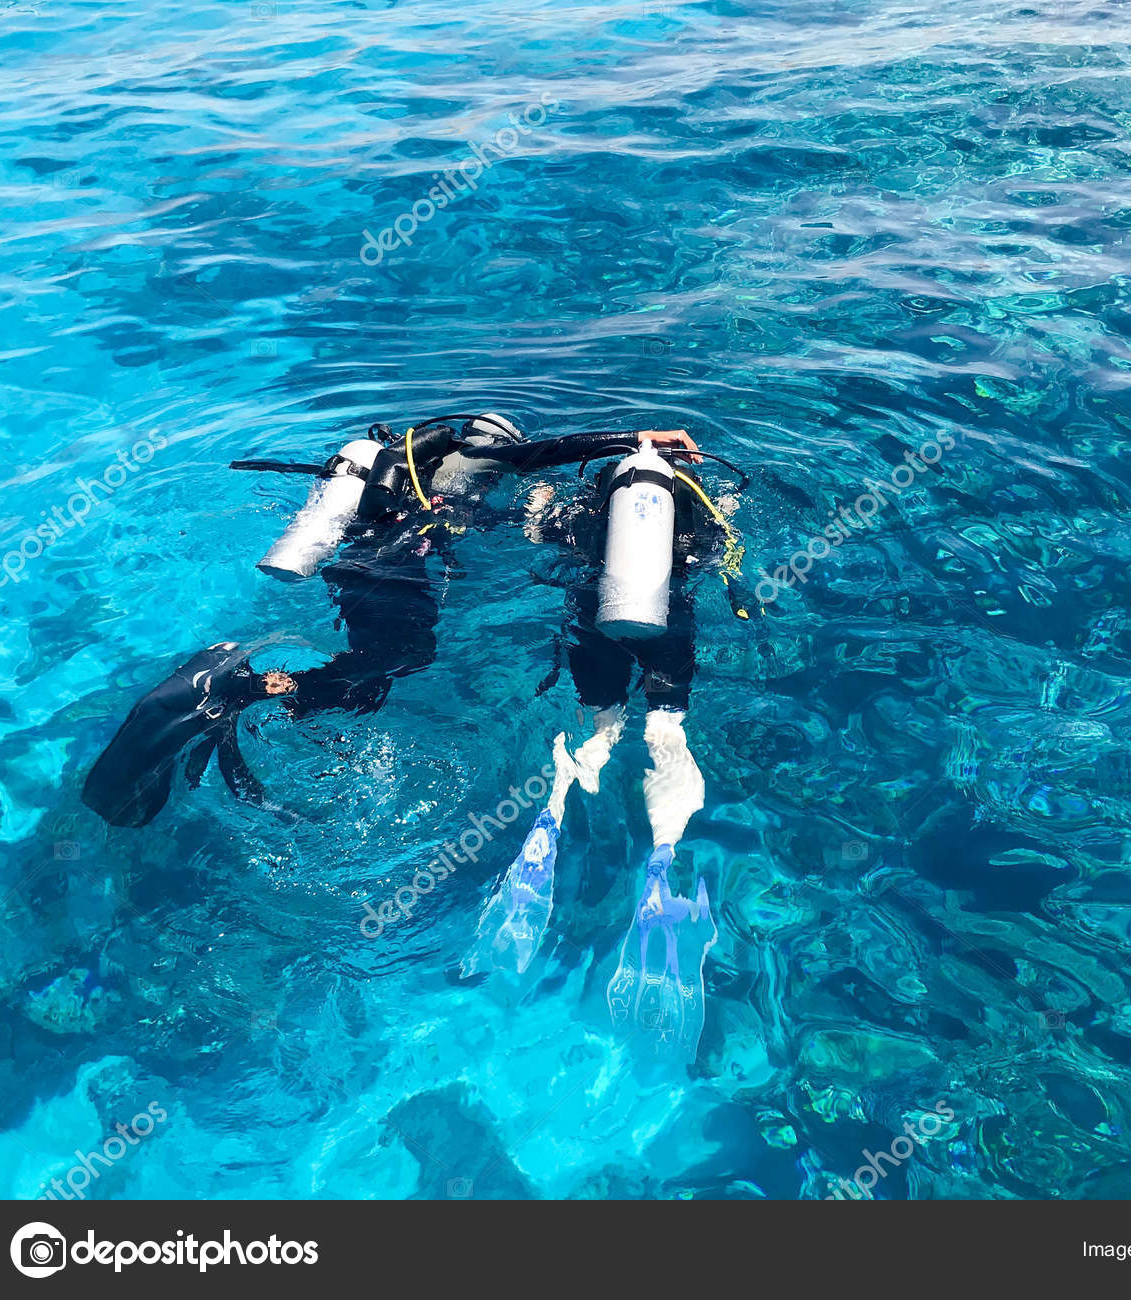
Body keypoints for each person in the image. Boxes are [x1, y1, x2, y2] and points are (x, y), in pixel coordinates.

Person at [83, 412, 745, 1059]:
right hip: (393, 580)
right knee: (393, 664)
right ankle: (248, 690)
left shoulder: (406, 465)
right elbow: (538, 461)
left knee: (374, 677)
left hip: (357, 569)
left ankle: (262, 695)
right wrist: (629, 441)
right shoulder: (479, 467)